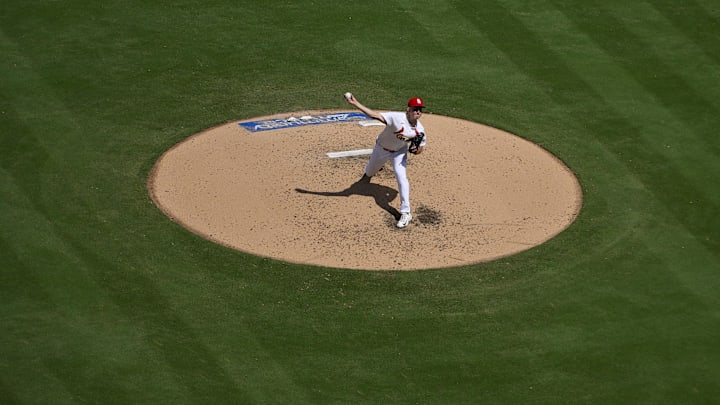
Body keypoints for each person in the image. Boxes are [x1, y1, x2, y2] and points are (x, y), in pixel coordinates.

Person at [345, 94, 427, 228]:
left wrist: (414, 149)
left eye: (420, 109)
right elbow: (375, 115)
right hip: (381, 149)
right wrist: (355, 103)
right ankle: (370, 174)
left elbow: (420, 149)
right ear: (408, 109)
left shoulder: (420, 130)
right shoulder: (396, 118)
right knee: (370, 171)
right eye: (415, 108)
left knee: (402, 178)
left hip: (399, 153)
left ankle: (405, 212)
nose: (417, 111)